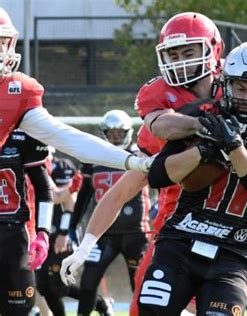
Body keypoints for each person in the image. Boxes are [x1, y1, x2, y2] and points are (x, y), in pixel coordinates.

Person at [60, 11, 247, 316]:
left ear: (214, 51)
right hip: (177, 225)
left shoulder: (238, 81)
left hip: (236, 230)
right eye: (173, 54)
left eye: (189, 52)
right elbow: (149, 149)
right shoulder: (161, 98)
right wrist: (206, 128)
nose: (181, 61)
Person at [139, 41, 247, 315]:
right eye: (240, 88)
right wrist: (204, 149)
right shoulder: (203, 117)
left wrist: (235, 148)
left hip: (235, 252)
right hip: (180, 241)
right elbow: (158, 175)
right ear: (225, 84)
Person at [0, 7, 151, 173]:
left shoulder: (16, 91)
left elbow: (70, 140)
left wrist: (132, 161)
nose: (1, 51)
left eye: (2, 42)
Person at [66, 110, 150, 316]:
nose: (115, 137)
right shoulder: (94, 157)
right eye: (110, 133)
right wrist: (72, 225)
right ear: (104, 133)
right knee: (88, 282)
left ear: (128, 133)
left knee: (139, 286)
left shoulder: (140, 155)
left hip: (136, 234)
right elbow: (85, 195)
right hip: (103, 235)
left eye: (119, 133)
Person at [35, 155, 113, 316]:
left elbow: (64, 199)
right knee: (42, 286)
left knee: (57, 286)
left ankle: (99, 303)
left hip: (58, 234)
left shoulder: (59, 166)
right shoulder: (26, 165)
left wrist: (64, 232)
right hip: (38, 232)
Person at [0, 129, 53, 315]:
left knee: (20, 308)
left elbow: (44, 189)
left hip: (14, 237)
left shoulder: (20, 137)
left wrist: (43, 232)